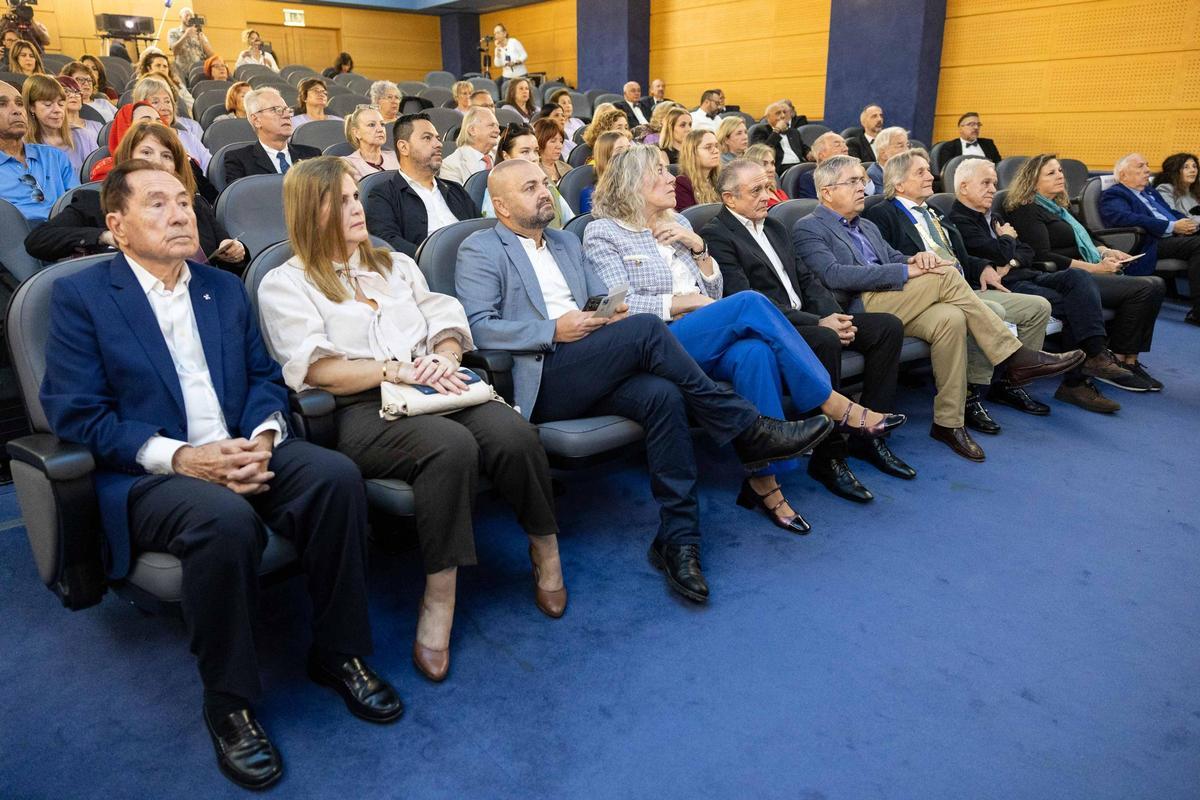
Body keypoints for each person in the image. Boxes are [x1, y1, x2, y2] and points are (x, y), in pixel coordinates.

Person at [39, 159, 402, 791]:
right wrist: (181, 458)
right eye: (158, 204)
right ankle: (228, 701)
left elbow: (265, 379)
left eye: (183, 201)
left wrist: (262, 440)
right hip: (149, 472)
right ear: (117, 226)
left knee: (335, 477)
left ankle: (338, 651)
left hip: (239, 444)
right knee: (223, 518)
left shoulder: (222, 288)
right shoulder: (80, 297)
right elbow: (78, 417)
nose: (180, 213)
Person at [457, 158, 836, 602]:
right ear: (500, 205)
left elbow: (604, 297)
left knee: (663, 395)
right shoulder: (480, 248)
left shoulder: (564, 242)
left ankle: (679, 538)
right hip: (547, 373)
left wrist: (608, 310)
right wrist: (552, 329)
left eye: (544, 183)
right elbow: (479, 328)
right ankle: (748, 428)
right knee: (648, 329)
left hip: (598, 356)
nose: (544, 191)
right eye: (529, 188)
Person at [259, 157, 562, 683]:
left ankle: (546, 550)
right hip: (362, 408)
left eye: (357, 197)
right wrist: (397, 368)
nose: (357, 208)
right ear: (310, 210)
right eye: (343, 200)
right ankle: (440, 596)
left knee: (512, 433)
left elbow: (444, 315)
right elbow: (321, 371)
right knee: (451, 447)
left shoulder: (394, 264)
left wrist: (445, 354)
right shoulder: (284, 283)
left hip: (435, 383)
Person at [585, 145, 906, 531]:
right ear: (632, 183)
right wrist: (682, 301)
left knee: (754, 354)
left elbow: (715, 290)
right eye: (660, 171)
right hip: (656, 340)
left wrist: (699, 249)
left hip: (703, 330)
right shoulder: (603, 231)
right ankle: (833, 404)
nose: (673, 178)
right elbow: (618, 306)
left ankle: (763, 483)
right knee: (750, 303)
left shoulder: (680, 225)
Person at [793, 154, 1084, 462]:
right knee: (945, 275)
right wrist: (907, 272)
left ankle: (949, 422)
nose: (862, 187)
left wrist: (915, 260)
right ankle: (1012, 355)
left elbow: (893, 256)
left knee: (951, 317)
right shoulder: (809, 227)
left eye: (862, 180)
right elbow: (834, 275)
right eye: (853, 181)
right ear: (826, 192)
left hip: (896, 299)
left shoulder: (865, 224)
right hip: (859, 307)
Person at [702, 159, 913, 499]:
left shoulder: (774, 226)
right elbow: (748, 300)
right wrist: (821, 322)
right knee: (825, 338)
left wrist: (834, 315)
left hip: (812, 317)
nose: (766, 195)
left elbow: (809, 281)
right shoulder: (716, 234)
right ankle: (829, 458)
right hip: (773, 327)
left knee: (887, 327)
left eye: (767, 187)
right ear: (729, 198)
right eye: (755, 190)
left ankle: (869, 439)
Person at [863, 148, 1056, 433]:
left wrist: (982, 268)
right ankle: (971, 395)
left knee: (1038, 307)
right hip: (927, 294)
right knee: (994, 309)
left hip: (964, 285)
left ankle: (1011, 382)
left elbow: (961, 254)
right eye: (921, 172)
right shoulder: (882, 213)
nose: (932, 176)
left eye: (929, 170)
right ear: (899, 183)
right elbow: (889, 260)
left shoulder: (935, 210)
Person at [948, 156, 1144, 412]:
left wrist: (1011, 259)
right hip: (1003, 287)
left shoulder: (993, 215)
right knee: (1074, 303)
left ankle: (1093, 356)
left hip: (1023, 274)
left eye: (994, 183)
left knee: (1078, 278)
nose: (993, 190)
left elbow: (1027, 251)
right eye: (986, 183)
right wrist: (1007, 242)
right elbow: (993, 251)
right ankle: (1076, 381)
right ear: (964, 187)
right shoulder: (957, 219)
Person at [1005, 155, 1166, 386]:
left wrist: (1105, 252)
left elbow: (1088, 235)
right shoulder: (1027, 209)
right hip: (1063, 276)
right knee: (1143, 288)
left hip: (1086, 269)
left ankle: (1130, 360)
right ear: (1031, 181)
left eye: (1059, 171)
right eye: (1051, 173)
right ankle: (1117, 361)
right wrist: (1095, 268)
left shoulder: (1061, 208)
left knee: (1156, 284)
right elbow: (1043, 257)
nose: (1060, 175)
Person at [26, 120, 247, 272]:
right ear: (126, 159)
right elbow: (38, 241)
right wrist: (106, 237)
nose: (157, 162)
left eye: (167, 156)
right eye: (146, 152)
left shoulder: (193, 204)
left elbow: (232, 259)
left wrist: (237, 252)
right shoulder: (93, 202)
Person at [1101, 152, 1200, 326]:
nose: (1147, 170)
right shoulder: (1115, 194)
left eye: (1147, 165)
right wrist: (1171, 226)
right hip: (1150, 243)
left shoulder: (1149, 191)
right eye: (1140, 166)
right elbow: (1125, 219)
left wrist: (1187, 223)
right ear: (1123, 174)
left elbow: (1170, 212)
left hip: (1172, 237)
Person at [365, 112, 478, 256]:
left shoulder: (455, 189)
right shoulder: (383, 194)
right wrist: (433, 259)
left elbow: (479, 229)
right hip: (425, 271)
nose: (438, 144)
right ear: (403, 147)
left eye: (437, 138)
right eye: (427, 138)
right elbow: (387, 242)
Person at [0, 80, 76, 221]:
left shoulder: (55, 156)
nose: (17, 111)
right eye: (2, 104)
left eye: (19, 103)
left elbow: (78, 203)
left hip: (65, 234)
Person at [481, 122, 572, 227]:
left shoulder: (549, 187)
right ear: (506, 156)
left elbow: (571, 223)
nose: (534, 158)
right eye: (525, 152)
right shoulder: (495, 194)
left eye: (536, 151)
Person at [223, 88, 321, 182]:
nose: (287, 115)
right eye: (276, 110)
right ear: (256, 120)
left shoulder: (313, 155)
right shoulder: (239, 160)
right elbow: (241, 197)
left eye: (287, 110)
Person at [131, 75, 210, 171]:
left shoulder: (187, 136)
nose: (165, 107)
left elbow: (209, 165)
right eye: (155, 102)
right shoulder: (137, 140)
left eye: (167, 101)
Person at [21, 75, 92, 174]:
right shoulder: (22, 145)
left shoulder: (82, 135)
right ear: (31, 107)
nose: (57, 110)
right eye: (48, 105)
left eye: (61, 104)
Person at [87, 101, 163, 181]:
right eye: (145, 122)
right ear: (125, 128)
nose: (155, 126)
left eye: (159, 122)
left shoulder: (170, 163)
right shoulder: (107, 172)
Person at [438, 105, 499, 185]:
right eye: (491, 125)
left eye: (497, 126)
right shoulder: (451, 165)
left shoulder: (502, 156)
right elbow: (457, 197)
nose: (497, 130)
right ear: (472, 130)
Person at [341, 104, 399, 180]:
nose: (380, 129)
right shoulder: (347, 164)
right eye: (371, 125)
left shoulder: (396, 157)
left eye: (382, 124)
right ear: (356, 132)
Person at [578, 130, 629, 213]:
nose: (628, 153)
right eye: (620, 149)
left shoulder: (639, 184)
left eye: (629, 147)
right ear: (605, 156)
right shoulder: (591, 194)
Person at [136, 48, 195, 117]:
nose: (162, 69)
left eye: (165, 66)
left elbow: (192, 104)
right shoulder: (142, 86)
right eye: (158, 65)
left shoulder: (178, 85)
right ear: (149, 68)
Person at [673, 128, 720, 211]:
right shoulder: (682, 184)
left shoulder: (721, 180)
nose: (716, 151)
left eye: (716, 146)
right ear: (692, 153)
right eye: (708, 147)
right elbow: (690, 219)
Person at [793, 132, 849, 199]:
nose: (846, 148)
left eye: (845, 144)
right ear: (822, 155)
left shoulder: (855, 173)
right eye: (837, 145)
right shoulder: (811, 179)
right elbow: (812, 206)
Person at [166, 8, 213, 79]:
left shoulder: (199, 33)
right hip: (183, 72)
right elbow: (175, 51)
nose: (189, 18)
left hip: (201, 71)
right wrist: (186, 35)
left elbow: (211, 55)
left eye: (191, 16)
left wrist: (202, 40)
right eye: (186, 15)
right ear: (180, 18)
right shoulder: (173, 32)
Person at [762, 100, 806, 173]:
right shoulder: (761, 131)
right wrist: (777, 130)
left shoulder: (794, 132)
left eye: (784, 112)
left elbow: (805, 149)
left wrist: (812, 153)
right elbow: (762, 151)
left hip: (799, 166)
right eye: (778, 113)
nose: (783, 116)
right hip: (780, 168)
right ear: (768, 117)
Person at [865, 126, 909, 194]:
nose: (907, 150)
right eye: (901, 146)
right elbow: (885, 200)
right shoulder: (874, 175)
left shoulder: (908, 170)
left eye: (907, 145)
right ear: (883, 153)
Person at [534, 116, 569, 182]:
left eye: (561, 141)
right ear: (540, 141)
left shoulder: (567, 168)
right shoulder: (534, 171)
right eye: (553, 141)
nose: (559, 146)